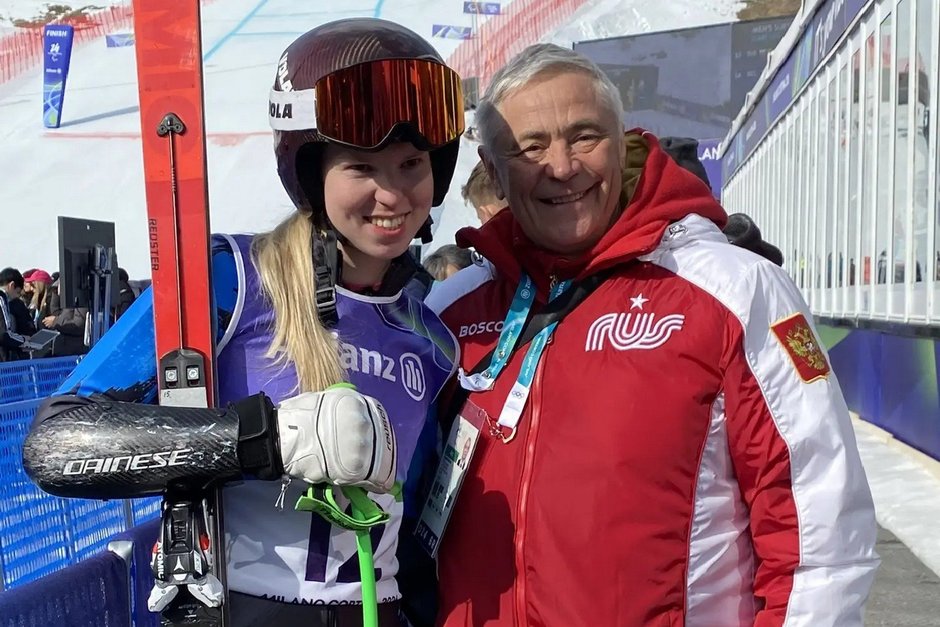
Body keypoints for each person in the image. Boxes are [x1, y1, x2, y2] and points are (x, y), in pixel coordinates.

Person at [24, 18, 464, 627]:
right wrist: (266, 439)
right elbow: (56, 443)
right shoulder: (231, 279)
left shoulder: (432, 344)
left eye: (411, 163)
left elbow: (419, 528)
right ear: (311, 172)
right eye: (362, 168)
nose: (391, 195)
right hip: (245, 610)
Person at [423, 43, 878, 626]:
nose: (562, 166)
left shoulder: (734, 290)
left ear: (624, 142)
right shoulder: (451, 310)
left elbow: (818, 530)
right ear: (493, 170)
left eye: (585, 136)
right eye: (531, 147)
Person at [0, 267, 28, 360]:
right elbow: (4, 334)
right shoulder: (2, 298)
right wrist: (23, 340)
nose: (17, 297)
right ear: (11, 285)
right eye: (18, 292)